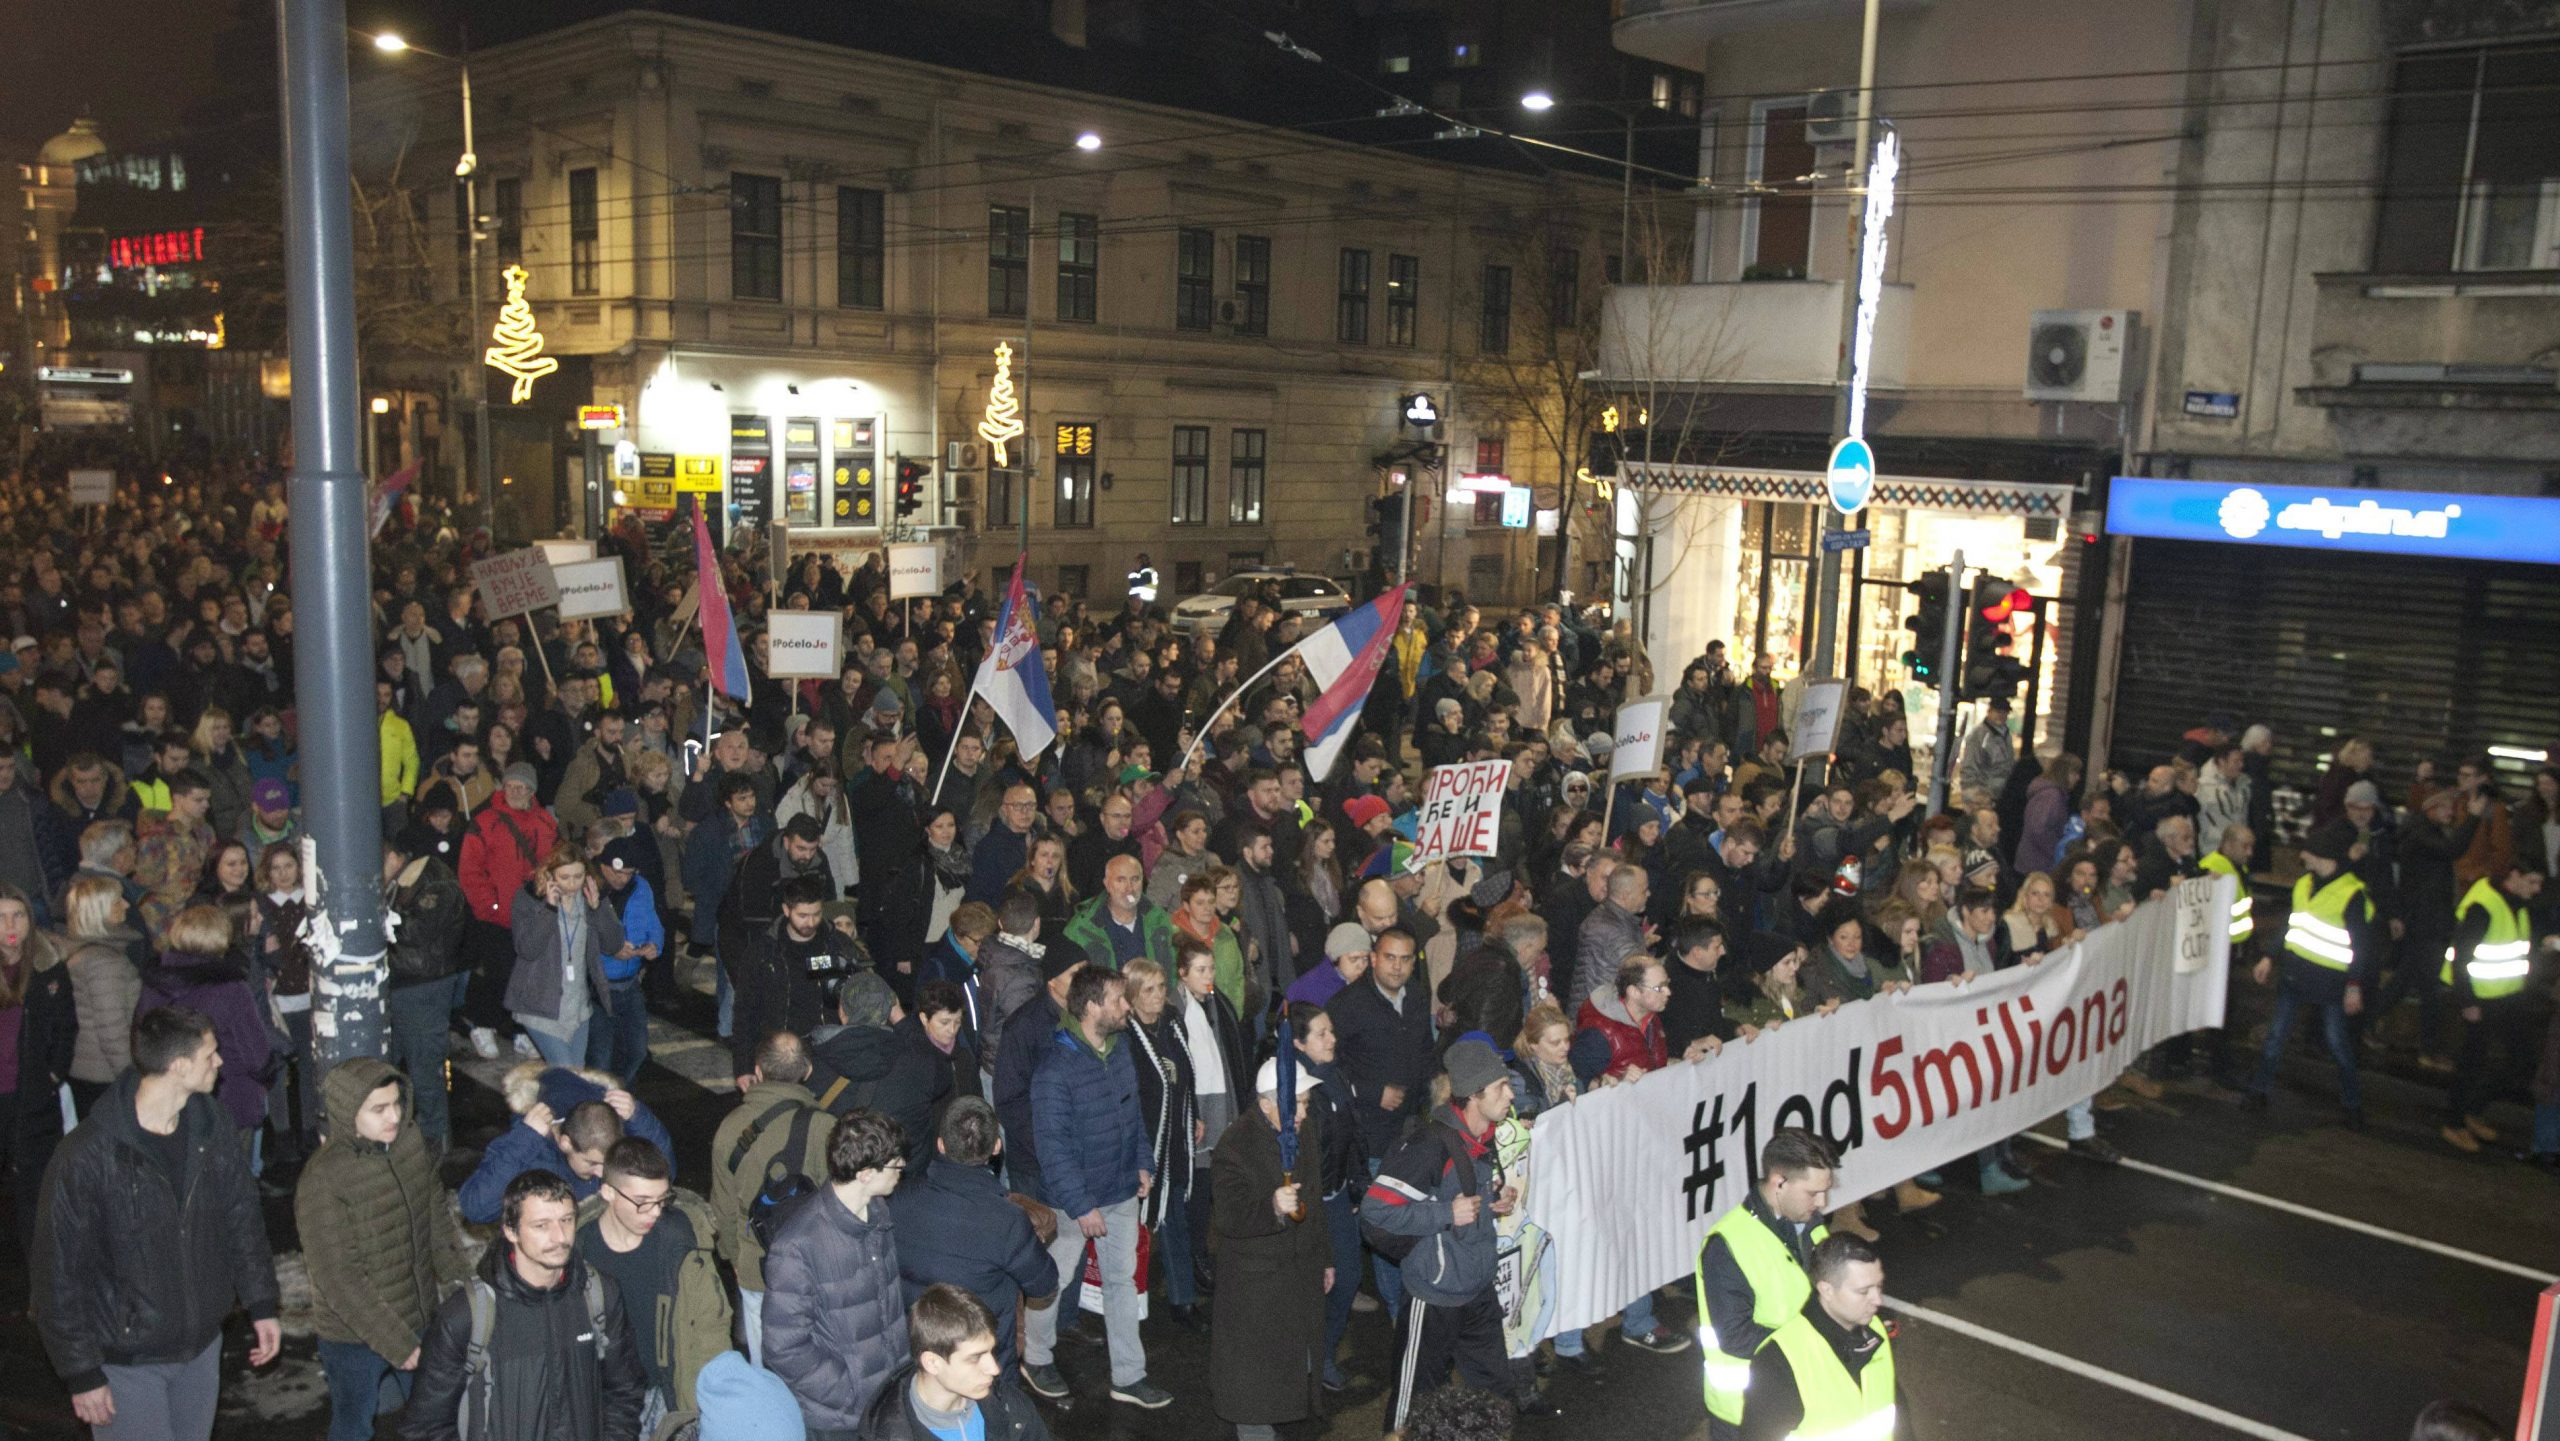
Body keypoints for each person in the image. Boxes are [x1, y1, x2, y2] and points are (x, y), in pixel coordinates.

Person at [34, 1005, 282, 1441]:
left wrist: (261, 1303)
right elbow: (58, 1272)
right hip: (127, 1363)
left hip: (202, 1348)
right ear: (179, 1066)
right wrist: (81, 1372)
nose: (220, 1062)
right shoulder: (88, 1155)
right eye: (211, 1055)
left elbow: (241, 1219)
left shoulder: (211, 1126)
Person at [404, 1169, 649, 1441]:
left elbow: (624, 1392)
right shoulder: (468, 1315)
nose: (559, 1237)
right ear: (510, 1230)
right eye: (541, 1225)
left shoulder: (599, 1295)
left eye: (566, 1220)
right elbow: (426, 1427)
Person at [296, 1058, 468, 1441]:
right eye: (379, 1109)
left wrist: (461, 1280)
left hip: (418, 1314)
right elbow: (338, 1277)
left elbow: (434, 1216)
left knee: (438, 1421)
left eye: (396, 1103)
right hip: (353, 1336)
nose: (393, 1116)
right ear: (346, 1113)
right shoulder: (324, 1179)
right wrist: (394, 1341)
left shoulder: (409, 1142)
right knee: (353, 1425)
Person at [1022, 966, 1171, 1409]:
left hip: (1122, 1188)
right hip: (1075, 1204)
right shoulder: (1055, 1069)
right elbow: (1053, 1148)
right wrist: (1081, 1205)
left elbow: (1133, 1114)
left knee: (1121, 1283)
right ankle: (1035, 1355)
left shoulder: (1120, 1049)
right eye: (1118, 1000)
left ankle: (1128, 1376)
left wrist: (1143, 1162)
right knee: (1053, 1280)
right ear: (1091, 1007)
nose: (1128, 1006)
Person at [1365, 1038, 1520, 1435]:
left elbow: (1461, 1195)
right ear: (1473, 1096)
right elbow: (1375, 1209)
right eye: (1501, 1086)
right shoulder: (1429, 1144)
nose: (1511, 1093)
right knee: (1412, 1406)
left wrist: (1490, 1203)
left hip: (1476, 1289)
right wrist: (1445, 1213)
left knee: (1498, 1393)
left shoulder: (1482, 1135)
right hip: (1433, 1299)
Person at [762, 1107, 913, 1437]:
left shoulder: (877, 1213)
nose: (902, 1168)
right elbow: (783, 1347)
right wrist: (851, 1391)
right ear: (865, 1174)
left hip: (888, 1400)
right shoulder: (797, 1246)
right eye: (894, 1164)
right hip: (839, 1419)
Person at [1212, 1054, 1334, 1441]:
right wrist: (1271, 1207)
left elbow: (1315, 1200)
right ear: (1267, 1104)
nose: (1302, 1112)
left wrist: (1326, 1258)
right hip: (1256, 1286)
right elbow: (1229, 1217)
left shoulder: (1305, 1131)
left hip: (1299, 1271)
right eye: (1295, 1103)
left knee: (1289, 1366)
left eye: (1304, 1103)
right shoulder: (1235, 1143)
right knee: (1254, 1379)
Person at [573, 1137, 732, 1434]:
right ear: (608, 1191)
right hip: (608, 1401)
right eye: (642, 1202)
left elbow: (712, 1326)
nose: (655, 1212)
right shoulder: (578, 1250)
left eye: (662, 1200)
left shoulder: (682, 1242)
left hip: (669, 1394)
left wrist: (705, 1399)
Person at [888, 1097, 1059, 1372]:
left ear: (941, 1144)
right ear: (996, 1147)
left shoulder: (899, 1199)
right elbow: (1043, 1283)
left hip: (918, 1351)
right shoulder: (1008, 1220)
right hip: (981, 1360)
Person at [1694, 1127, 1836, 1441]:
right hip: (1749, 1415)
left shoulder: (1810, 1224)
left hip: (1802, 1398)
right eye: (1813, 1193)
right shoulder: (1727, 1244)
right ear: (1779, 1182)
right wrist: (1818, 1343)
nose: (1823, 1202)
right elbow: (1734, 1336)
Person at [711, 1031, 838, 1366]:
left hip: (757, 1264)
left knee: (763, 1360)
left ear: (758, 1070)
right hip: (814, 1267)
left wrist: (734, 1256)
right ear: (807, 1071)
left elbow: (723, 1206)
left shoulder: (731, 1127)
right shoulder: (825, 1127)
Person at [2244, 821, 2379, 1128]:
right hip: (2296, 975)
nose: (2303, 856)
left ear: (2325, 856)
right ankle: (2258, 1090)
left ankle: (2353, 1103)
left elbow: (2360, 946)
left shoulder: (2351, 895)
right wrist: (2270, 955)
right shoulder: (2305, 883)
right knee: (2276, 1036)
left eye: (2309, 852)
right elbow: (2291, 923)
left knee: (2337, 1043)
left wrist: (2354, 986)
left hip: (2330, 982)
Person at [1736, 1234, 1903, 1441]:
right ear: (1827, 1290)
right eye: (1863, 1291)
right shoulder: (1779, 1360)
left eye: (1878, 1286)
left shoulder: (1876, 1329)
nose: (1877, 1299)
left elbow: (1893, 1407)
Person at [457, 1066, 674, 1224]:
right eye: (591, 1163)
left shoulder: (615, 1129)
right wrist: (523, 1140)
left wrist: (639, 1119)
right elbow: (476, 1208)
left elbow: (665, 1174)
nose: (602, 1172)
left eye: (606, 1162)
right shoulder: (532, 1151)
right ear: (565, 1142)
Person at [2438, 862, 2547, 1153]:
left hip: (2507, 997)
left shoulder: (2517, 906)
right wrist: (2468, 1001)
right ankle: (2454, 1122)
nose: (2537, 889)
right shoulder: (2485, 906)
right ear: (2514, 876)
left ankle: (2471, 1110)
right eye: (2532, 881)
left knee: (2521, 1061)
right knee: (2472, 1062)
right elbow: (2461, 957)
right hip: (2481, 999)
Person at [859, 1284, 1054, 1441]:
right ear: (932, 1362)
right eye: (975, 1358)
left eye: (991, 1352)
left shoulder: (1010, 1404)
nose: (994, 1369)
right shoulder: (886, 1433)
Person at [729, 875, 863, 1083]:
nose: (810, 922)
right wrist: (743, 1066)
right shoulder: (763, 951)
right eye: (802, 915)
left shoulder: (838, 946)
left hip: (826, 1055)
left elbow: (858, 1000)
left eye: (816, 914)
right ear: (786, 910)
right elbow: (745, 1011)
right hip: (779, 1056)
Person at [382, 831, 468, 1150]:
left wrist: (377, 915)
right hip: (406, 983)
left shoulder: (435, 883)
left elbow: (415, 931)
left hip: (424, 987)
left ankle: (437, 1140)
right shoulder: (404, 881)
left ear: (394, 857)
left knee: (425, 1068)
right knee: (402, 1063)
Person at [507, 843, 626, 1068]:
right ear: (550, 875)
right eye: (564, 877)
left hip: (578, 1006)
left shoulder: (591, 898)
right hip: (540, 1005)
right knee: (567, 1070)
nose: (572, 884)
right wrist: (549, 910)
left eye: (578, 876)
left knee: (574, 1073)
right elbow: (527, 949)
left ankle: (545, 1103)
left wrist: (598, 907)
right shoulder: (529, 900)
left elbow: (614, 944)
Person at [1060, 852, 1178, 973]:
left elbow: (1175, 968)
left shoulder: (1160, 920)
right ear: (1107, 885)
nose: (1129, 888)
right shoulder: (1081, 928)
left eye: (1135, 879)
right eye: (1121, 880)